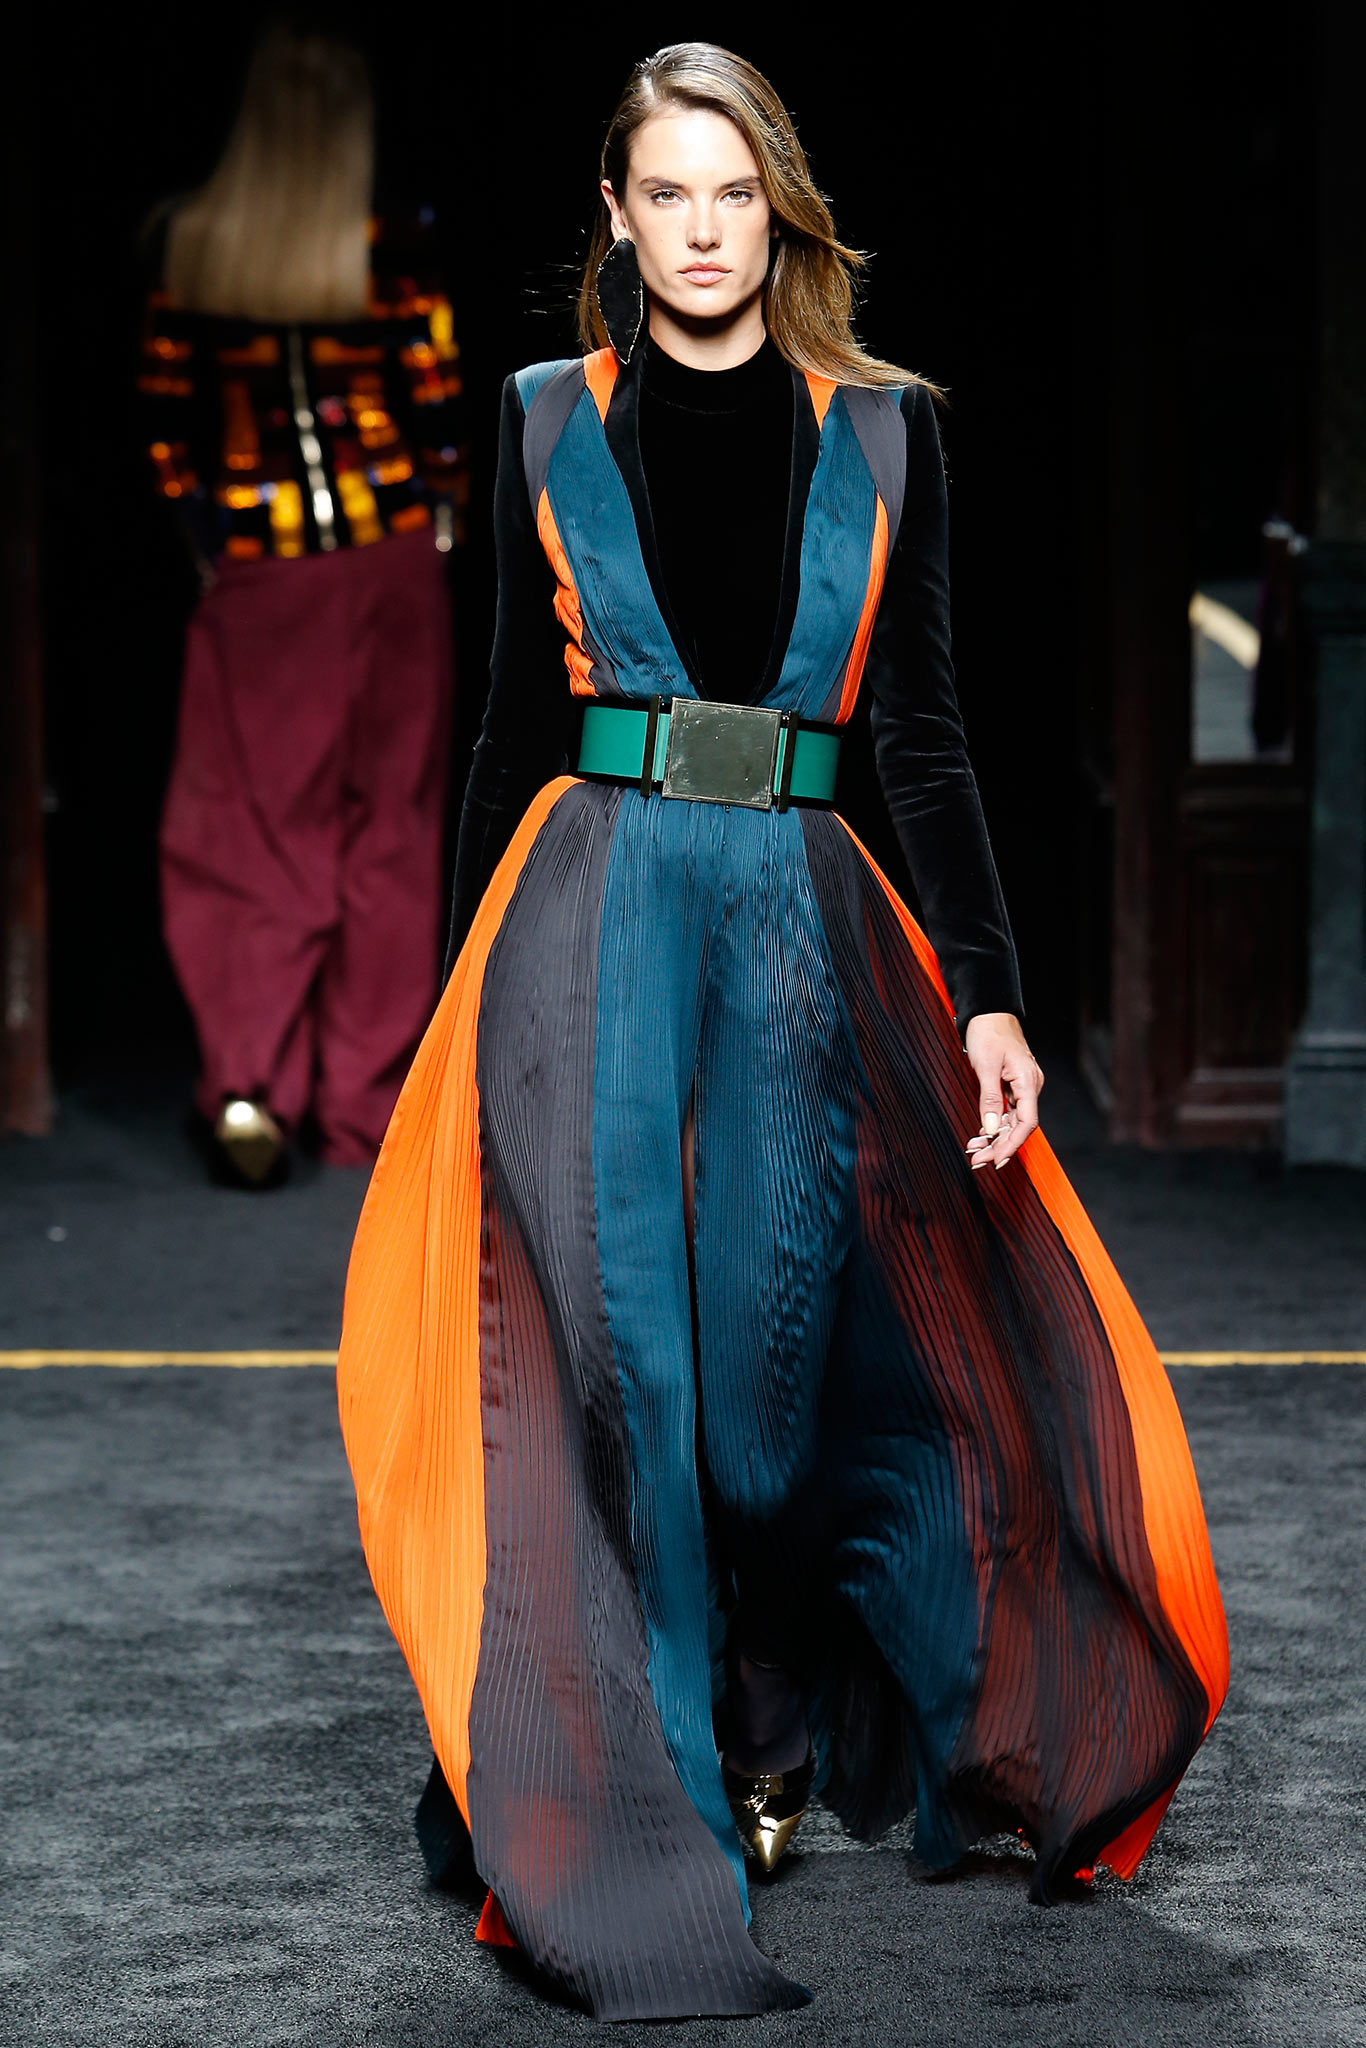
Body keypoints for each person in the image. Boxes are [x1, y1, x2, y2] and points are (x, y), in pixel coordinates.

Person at [336, 42, 1228, 2022]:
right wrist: (449, 1007)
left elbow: (917, 733)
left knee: (761, 1376)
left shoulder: (887, 429)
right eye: (668, 194)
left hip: (800, 929)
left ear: (777, 208)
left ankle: (761, 1712)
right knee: (610, 1365)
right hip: (580, 920)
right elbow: (498, 728)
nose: (704, 228)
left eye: (733, 192)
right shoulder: (540, 419)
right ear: (617, 218)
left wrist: (987, 993)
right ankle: (645, 1778)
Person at [139, 23, 468, 1183]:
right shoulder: (389, 246)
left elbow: (168, 428)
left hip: (262, 577)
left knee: (254, 826)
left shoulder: (192, 247)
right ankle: (365, 1105)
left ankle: (247, 1089)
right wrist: (440, 514)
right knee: (392, 825)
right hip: (385, 560)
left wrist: (209, 540)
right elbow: (434, 400)